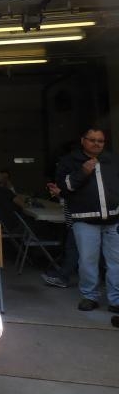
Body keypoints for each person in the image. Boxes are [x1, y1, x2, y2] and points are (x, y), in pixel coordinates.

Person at [55, 127, 119, 316]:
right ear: (83, 140)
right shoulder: (70, 161)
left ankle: (116, 300)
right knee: (88, 261)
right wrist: (82, 172)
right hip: (85, 221)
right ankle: (90, 297)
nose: (97, 143)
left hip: (114, 219)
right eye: (92, 140)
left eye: (100, 141)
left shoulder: (112, 160)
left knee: (116, 262)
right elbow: (63, 188)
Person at [40, 181, 79, 288]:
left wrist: (61, 193)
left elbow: (72, 198)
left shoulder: (78, 180)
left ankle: (62, 277)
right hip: (74, 223)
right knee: (73, 250)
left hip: (78, 223)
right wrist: (60, 193)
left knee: (72, 251)